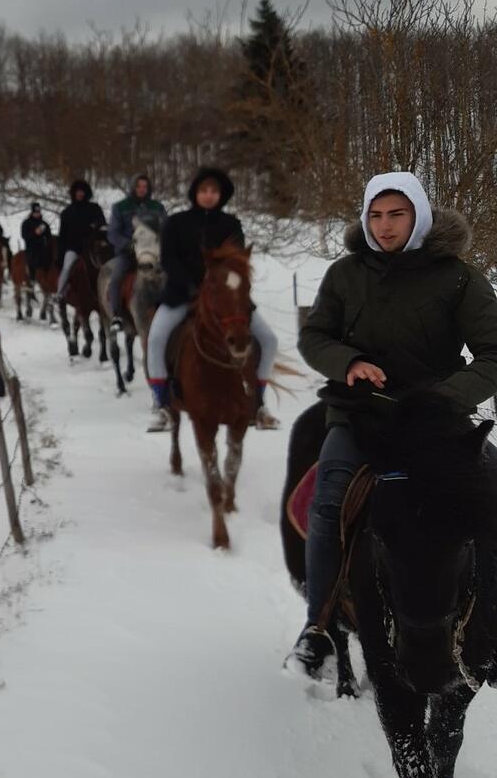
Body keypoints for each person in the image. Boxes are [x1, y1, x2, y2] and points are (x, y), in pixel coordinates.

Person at [286, 171, 497, 679]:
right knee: (328, 501)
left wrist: (445, 398)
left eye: (396, 214)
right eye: (375, 215)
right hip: (361, 416)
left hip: (436, 424)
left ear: (418, 216)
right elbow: (315, 336)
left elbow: (493, 351)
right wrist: (349, 362)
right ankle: (319, 624)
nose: (384, 226)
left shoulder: (458, 277)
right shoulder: (345, 274)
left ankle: (489, 624)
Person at [145, 168, 279, 431]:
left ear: (222, 195)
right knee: (156, 339)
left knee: (269, 339)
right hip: (182, 294)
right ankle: (162, 405)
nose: (208, 195)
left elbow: (237, 263)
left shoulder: (231, 225)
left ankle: (259, 404)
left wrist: (224, 291)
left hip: (225, 299)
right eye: (203, 190)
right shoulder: (176, 222)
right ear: (195, 193)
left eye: (214, 191)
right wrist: (191, 287)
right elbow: (168, 260)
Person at [106, 174, 167, 327]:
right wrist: (127, 244)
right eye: (138, 186)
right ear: (133, 187)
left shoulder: (157, 207)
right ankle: (116, 314)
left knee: (169, 274)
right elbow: (113, 233)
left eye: (145, 186)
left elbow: (166, 229)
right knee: (116, 277)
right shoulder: (120, 207)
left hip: (153, 253)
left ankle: (168, 308)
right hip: (129, 252)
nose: (141, 189)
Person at [55, 179, 107, 300]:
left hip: (93, 245)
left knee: (105, 265)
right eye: (78, 191)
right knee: (67, 266)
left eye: (82, 191)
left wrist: (94, 226)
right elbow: (62, 235)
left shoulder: (94, 208)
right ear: (73, 193)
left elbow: (102, 223)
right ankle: (60, 293)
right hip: (74, 247)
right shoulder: (67, 212)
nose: (80, 194)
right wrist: (60, 254)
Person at [21, 203, 52, 280]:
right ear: (32, 212)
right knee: (32, 261)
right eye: (35, 212)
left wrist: (45, 239)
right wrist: (34, 233)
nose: (37, 214)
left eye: (38, 212)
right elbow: (24, 235)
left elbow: (49, 236)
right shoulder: (26, 223)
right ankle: (32, 279)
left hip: (43, 248)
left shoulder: (44, 224)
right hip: (31, 249)